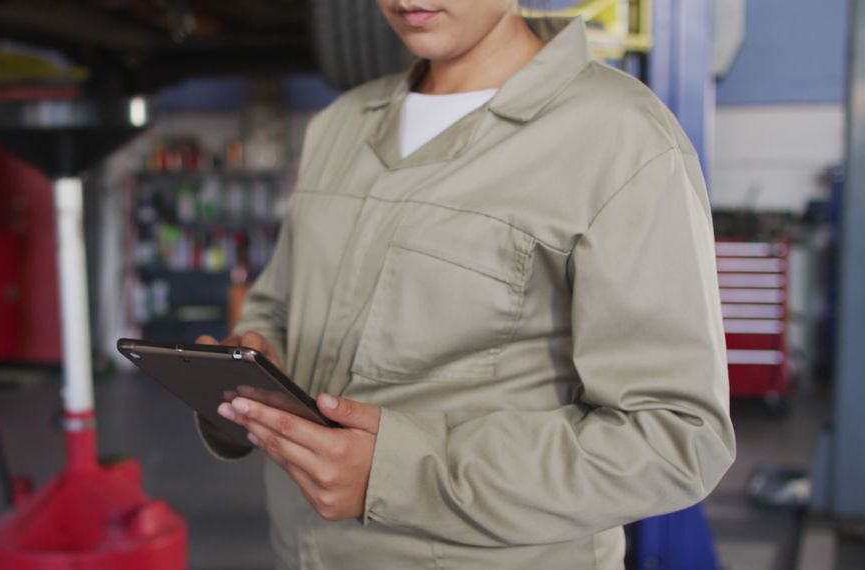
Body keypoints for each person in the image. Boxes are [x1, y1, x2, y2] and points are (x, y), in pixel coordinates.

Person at [196, 1, 736, 567]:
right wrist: (256, 361)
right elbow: (276, 307)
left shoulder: (620, 138)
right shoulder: (340, 124)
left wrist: (402, 477)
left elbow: (676, 436)